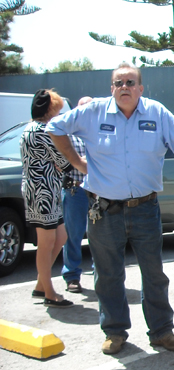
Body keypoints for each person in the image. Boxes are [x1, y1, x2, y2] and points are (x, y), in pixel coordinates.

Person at [48, 62, 174, 355]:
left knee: (154, 273)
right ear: (111, 88)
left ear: (141, 88)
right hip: (104, 210)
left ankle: (162, 332)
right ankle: (115, 333)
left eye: (130, 82)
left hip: (145, 209)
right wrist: (76, 162)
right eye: (119, 83)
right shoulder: (93, 112)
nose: (124, 87)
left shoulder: (156, 113)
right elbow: (55, 127)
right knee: (108, 274)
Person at [20, 89, 75, 308]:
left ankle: (41, 284)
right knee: (46, 243)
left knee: (60, 236)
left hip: (43, 190)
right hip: (42, 191)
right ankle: (49, 292)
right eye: (57, 109)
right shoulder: (43, 131)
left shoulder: (28, 128)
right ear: (49, 109)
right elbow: (64, 161)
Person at [60, 97, 93, 294]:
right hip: (75, 189)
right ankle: (72, 276)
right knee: (73, 235)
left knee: (101, 236)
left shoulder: (100, 133)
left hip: (98, 190)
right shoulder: (68, 133)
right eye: (83, 109)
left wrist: (77, 160)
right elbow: (62, 160)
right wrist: (79, 161)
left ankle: (102, 275)